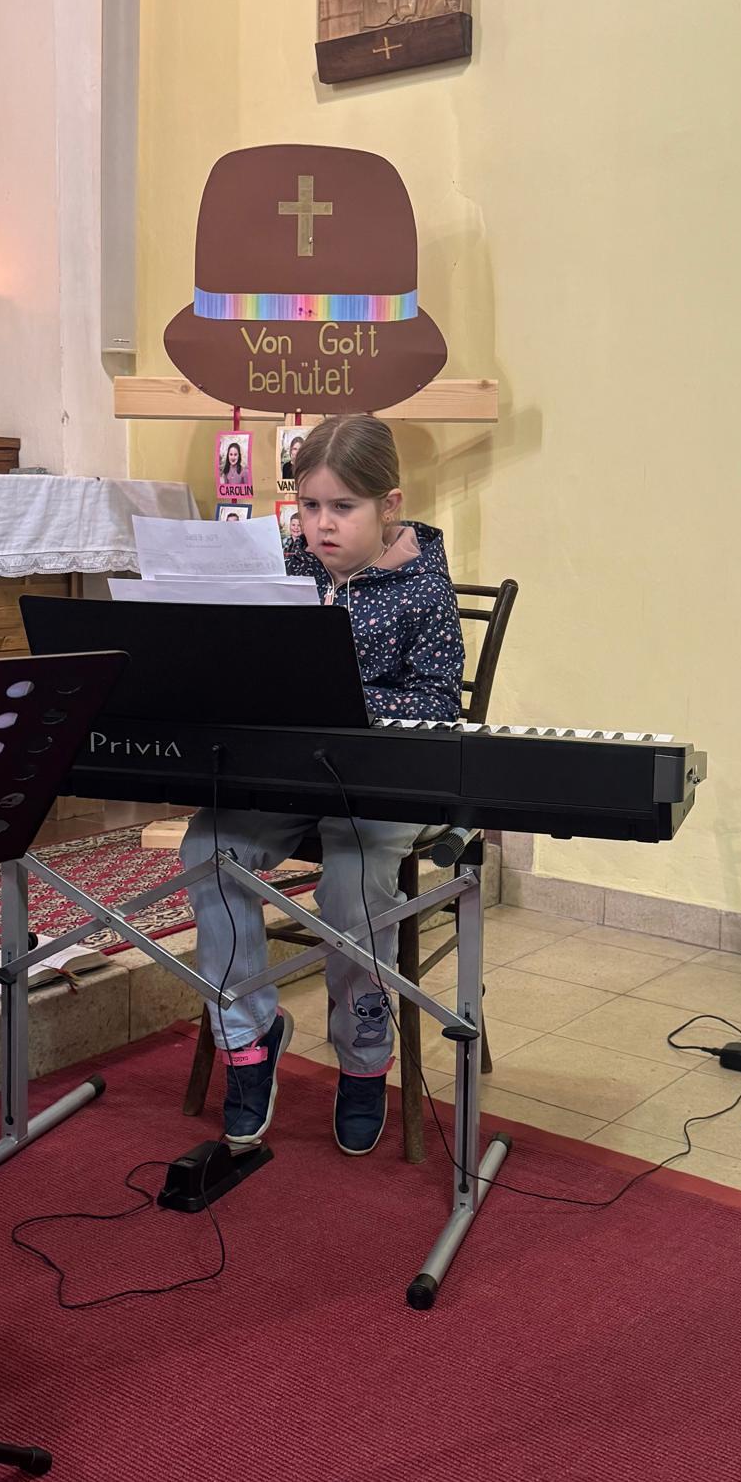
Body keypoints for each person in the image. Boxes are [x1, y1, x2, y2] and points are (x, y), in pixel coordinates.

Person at [182, 414, 463, 1156]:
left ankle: (364, 1056)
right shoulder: (282, 570)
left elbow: (438, 703)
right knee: (210, 850)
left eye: (343, 507)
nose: (322, 525)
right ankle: (249, 1039)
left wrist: (340, 697)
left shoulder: (423, 587)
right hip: (282, 775)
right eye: (309, 506)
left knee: (353, 881)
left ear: (389, 505)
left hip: (380, 785)